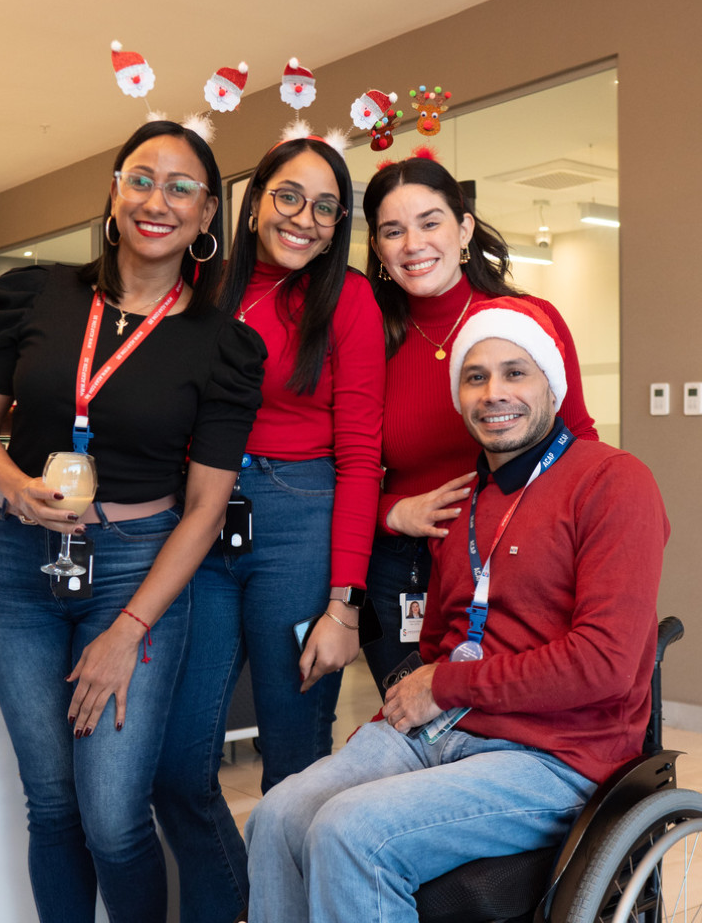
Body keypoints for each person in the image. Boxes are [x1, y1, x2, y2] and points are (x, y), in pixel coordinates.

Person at [244, 295, 669, 923]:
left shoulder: (613, 481)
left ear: (550, 381)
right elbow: (447, 637)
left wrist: (442, 683)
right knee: (277, 816)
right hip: (446, 731)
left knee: (351, 832)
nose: (494, 392)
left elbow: (603, 663)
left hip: (556, 755)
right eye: (476, 377)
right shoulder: (469, 499)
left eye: (515, 372)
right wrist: (396, 717)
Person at [0, 119, 266, 923]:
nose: (157, 200)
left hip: (135, 569)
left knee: (115, 818)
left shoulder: (222, 345)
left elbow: (203, 511)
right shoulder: (37, 295)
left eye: (181, 188)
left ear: (205, 219)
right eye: (141, 178)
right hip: (17, 565)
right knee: (50, 803)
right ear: (115, 191)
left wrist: (127, 628)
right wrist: (18, 487)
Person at [153, 131, 386, 923]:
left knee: (292, 761)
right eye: (289, 196)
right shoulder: (201, 284)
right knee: (179, 764)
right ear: (255, 204)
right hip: (200, 520)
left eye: (327, 207)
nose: (305, 219)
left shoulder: (346, 299)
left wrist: (344, 604)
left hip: (300, 523)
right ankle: (237, 902)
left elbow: (361, 457)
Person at [361, 153, 598, 692]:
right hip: (408, 570)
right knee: (412, 729)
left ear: (464, 227)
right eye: (392, 231)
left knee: (506, 722)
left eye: (430, 222)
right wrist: (391, 511)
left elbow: (580, 438)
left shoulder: (529, 320)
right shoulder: (367, 337)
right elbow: (335, 466)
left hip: (525, 556)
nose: (413, 244)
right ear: (377, 248)